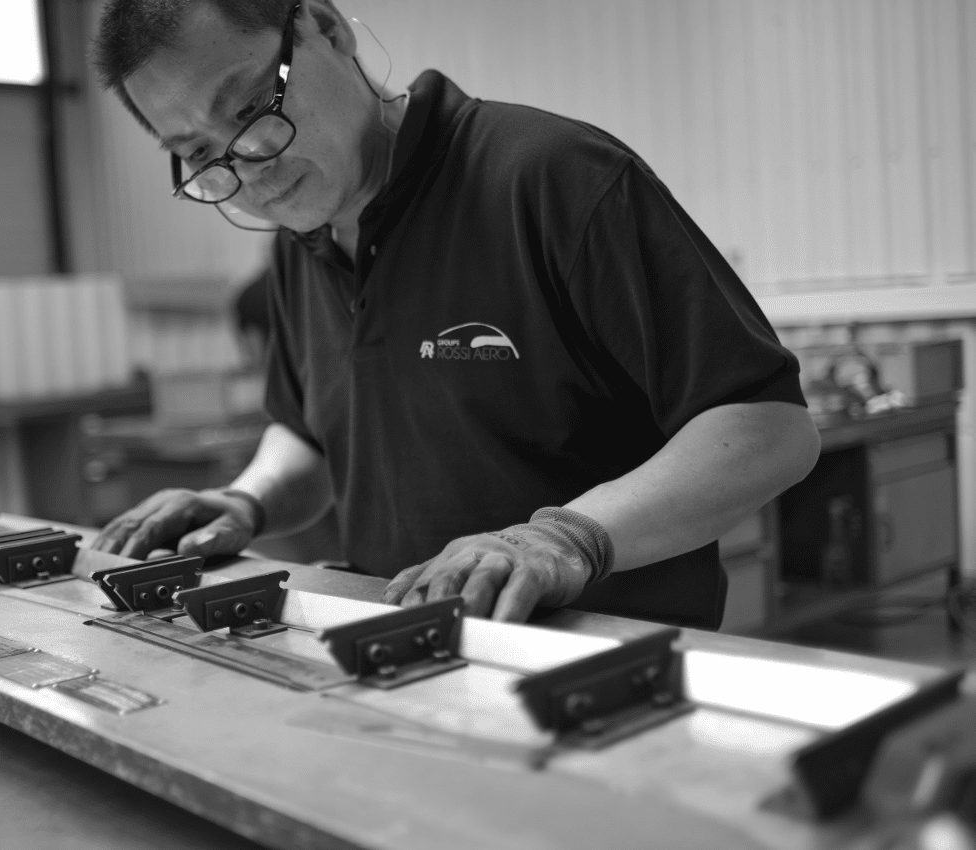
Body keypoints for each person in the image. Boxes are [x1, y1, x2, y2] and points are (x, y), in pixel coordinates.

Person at [89, 0, 821, 628]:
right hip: (405, 656)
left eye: (251, 108)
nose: (248, 165)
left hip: (601, 667)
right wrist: (244, 501)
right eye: (198, 150)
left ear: (324, 28)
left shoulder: (549, 178)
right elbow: (311, 435)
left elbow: (770, 429)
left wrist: (565, 541)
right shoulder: (301, 239)